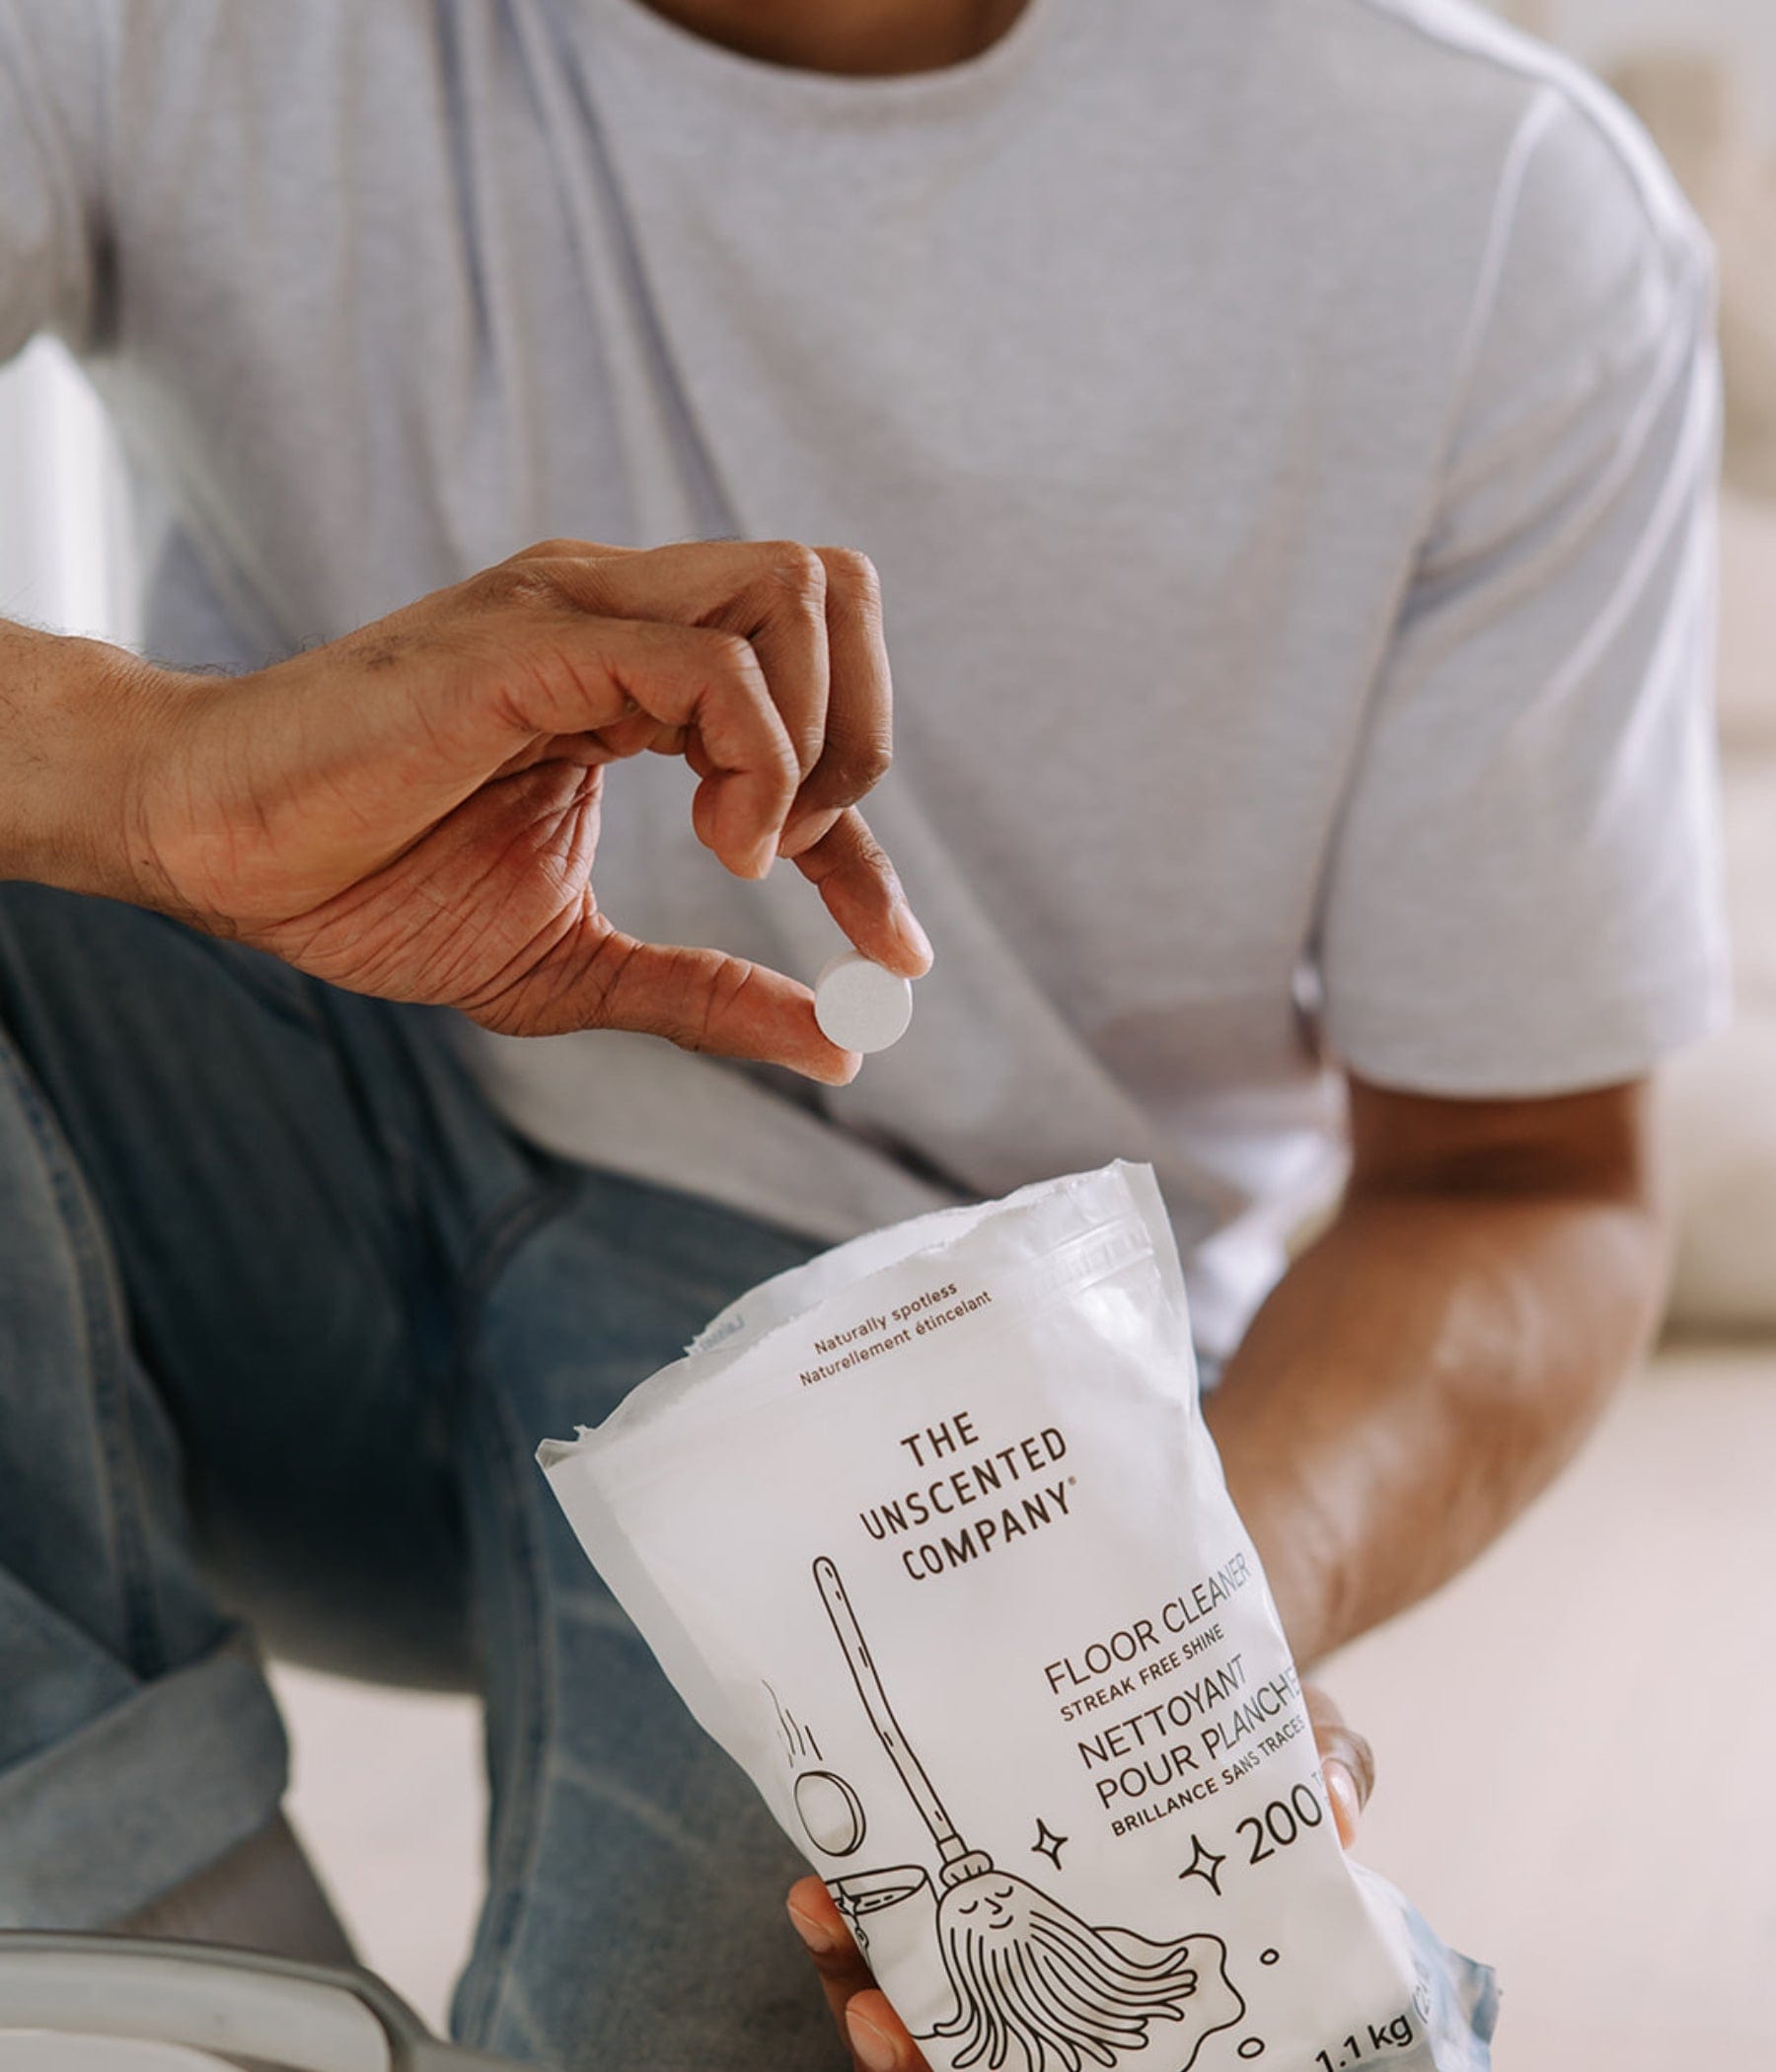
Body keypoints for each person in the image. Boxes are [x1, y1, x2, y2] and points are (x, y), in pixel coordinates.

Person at [0, 1, 1723, 2067]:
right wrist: (166, 776)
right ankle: (168, 1977)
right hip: (240, 1161)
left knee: (903, 2002)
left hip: (924, 1350)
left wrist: (1161, 1650)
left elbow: (1527, 1180)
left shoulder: (1491, 202)